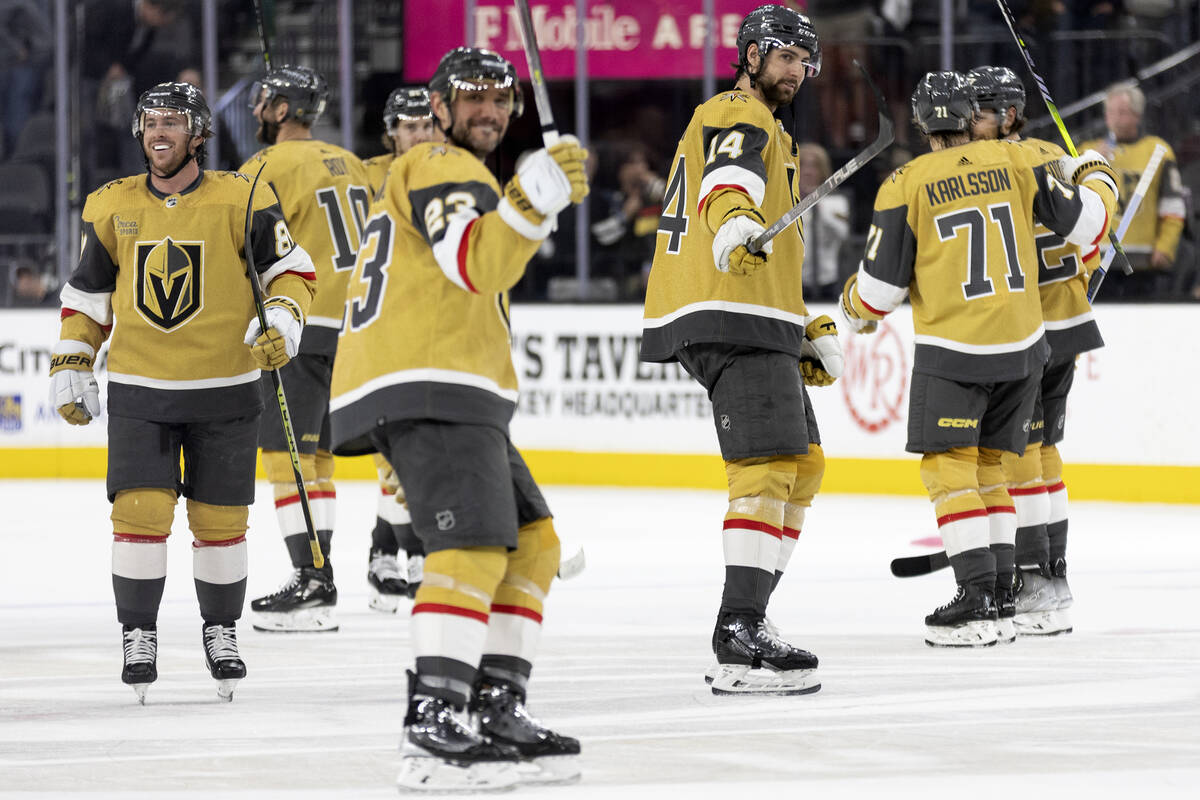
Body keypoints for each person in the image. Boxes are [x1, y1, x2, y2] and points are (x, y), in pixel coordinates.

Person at [329, 47, 589, 790]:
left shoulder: (470, 178)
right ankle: (434, 719)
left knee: (533, 544)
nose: (490, 109)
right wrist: (533, 198)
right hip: (427, 381)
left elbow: (488, 255)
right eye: (471, 96)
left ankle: (495, 702)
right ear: (437, 109)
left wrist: (525, 202)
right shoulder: (441, 164)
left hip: (448, 386)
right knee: (473, 548)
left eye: (500, 97)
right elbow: (474, 262)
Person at [48, 81, 315, 702]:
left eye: (172, 122)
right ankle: (138, 633)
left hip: (226, 389)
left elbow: (293, 272)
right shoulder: (110, 205)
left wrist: (283, 319)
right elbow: (86, 298)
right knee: (138, 515)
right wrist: (72, 359)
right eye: (149, 122)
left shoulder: (243, 198)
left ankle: (221, 631)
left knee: (221, 522)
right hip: (143, 389)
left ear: (198, 133)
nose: (158, 132)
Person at [840, 71, 1117, 647]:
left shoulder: (905, 181)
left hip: (956, 348)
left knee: (951, 471)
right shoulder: (1024, 162)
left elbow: (878, 293)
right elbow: (1091, 226)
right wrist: (1097, 171)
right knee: (1001, 466)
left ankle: (982, 600)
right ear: (971, 117)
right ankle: (1009, 591)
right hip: (1027, 344)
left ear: (921, 125)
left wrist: (854, 304)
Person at [641, 4, 837, 696]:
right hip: (725, 310)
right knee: (768, 466)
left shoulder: (771, 129)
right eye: (784, 55)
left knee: (804, 464)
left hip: (753, 315)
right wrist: (730, 227)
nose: (797, 70)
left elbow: (764, 240)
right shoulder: (738, 111)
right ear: (751, 55)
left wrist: (798, 327)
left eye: (804, 59)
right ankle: (740, 630)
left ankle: (751, 614)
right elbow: (730, 187)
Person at [238, 65, 371, 633]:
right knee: (316, 458)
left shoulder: (263, 167)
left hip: (302, 326)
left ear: (283, 109)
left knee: (285, 456)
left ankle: (313, 580)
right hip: (360, 327)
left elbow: (242, 251)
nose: (257, 111)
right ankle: (319, 573)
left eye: (265, 102)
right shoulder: (354, 163)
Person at [969, 64, 1086, 637]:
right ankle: (1053, 578)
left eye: (981, 111)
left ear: (1009, 114)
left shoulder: (996, 164)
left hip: (1029, 329)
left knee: (1022, 456)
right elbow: (1085, 231)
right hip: (1067, 321)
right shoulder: (1050, 155)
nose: (971, 122)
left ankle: (1036, 579)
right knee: (1043, 452)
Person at [359, 85, 440, 612]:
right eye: (409, 126)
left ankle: (383, 550)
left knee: (408, 449)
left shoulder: (449, 171)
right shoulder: (363, 177)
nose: (418, 133)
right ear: (391, 130)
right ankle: (411, 553)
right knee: (398, 449)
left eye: (426, 124)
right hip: (377, 323)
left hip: (431, 321)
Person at [1081, 83, 1186, 299]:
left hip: (1143, 263)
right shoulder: (1087, 151)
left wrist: (1165, 247)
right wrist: (1085, 160)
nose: (1114, 119)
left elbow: (1173, 206)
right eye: (1110, 112)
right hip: (1095, 260)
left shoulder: (1158, 151)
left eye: (1122, 112)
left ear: (1137, 115)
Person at [797, 143, 852, 301]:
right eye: (802, 165)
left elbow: (844, 234)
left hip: (828, 281)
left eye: (814, 166)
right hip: (794, 279)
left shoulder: (836, 202)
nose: (807, 171)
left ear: (823, 170)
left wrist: (816, 202)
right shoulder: (785, 202)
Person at [363, 86, 438, 193]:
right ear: (393, 132)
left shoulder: (450, 170)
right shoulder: (368, 173)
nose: (422, 137)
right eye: (411, 127)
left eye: (427, 126)